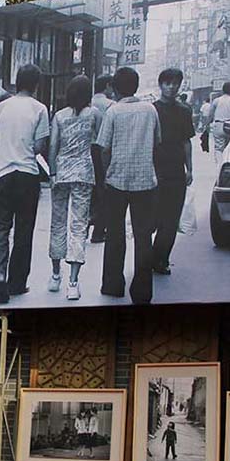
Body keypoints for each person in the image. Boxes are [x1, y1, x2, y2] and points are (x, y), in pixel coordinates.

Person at [95, 66, 161, 305]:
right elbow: (156, 142)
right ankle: (142, 291)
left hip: (116, 180)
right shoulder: (150, 110)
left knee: (115, 233)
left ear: (115, 87)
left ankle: (113, 284)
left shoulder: (113, 112)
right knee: (143, 236)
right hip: (145, 181)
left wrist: (105, 172)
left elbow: (104, 148)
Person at [0, 64, 50, 304]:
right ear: (36, 85)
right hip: (27, 175)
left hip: (2, 174)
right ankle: (16, 282)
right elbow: (39, 148)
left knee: (0, 230)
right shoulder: (40, 109)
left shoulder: (1, 107)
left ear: (16, 82)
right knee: (24, 231)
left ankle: (0, 276)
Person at [47, 75, 102, 301]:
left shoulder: (59, 116)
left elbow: (52, 145)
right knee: (79, 225)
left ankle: (55, 275)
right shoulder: (95, 114)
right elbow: (98, 143)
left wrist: (52, 172)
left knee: (57, 223)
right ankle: (73, 282)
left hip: (61, 173)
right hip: (84, 173)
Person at [152, 68, 195, 275]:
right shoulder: (152, 110)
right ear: (160, 85)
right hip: (155, 170)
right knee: (155, 219)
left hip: (176, 170)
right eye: (167, 83)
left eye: (175, 83)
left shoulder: (185, 111)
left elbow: (186, 141)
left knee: (171, 219)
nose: (171, 87)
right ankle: (152, 256)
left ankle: (161, 260)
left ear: (180, 85)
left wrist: (190, 168)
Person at [89, 75, 116, 243]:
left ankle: (84, 225)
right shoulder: (110, 106)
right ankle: (99, 230)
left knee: (88, 190)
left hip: (86, 150)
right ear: (107, 86)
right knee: (104, 190)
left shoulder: (87, 102)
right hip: (102, 150)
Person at [208, 82, 230, 165]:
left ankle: (220, 166)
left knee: (219, 148)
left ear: (223, 90)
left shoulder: (216, 101)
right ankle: (227, 164)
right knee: (229, 147)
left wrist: (207, 124)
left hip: (218, 126)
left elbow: (210, 114)